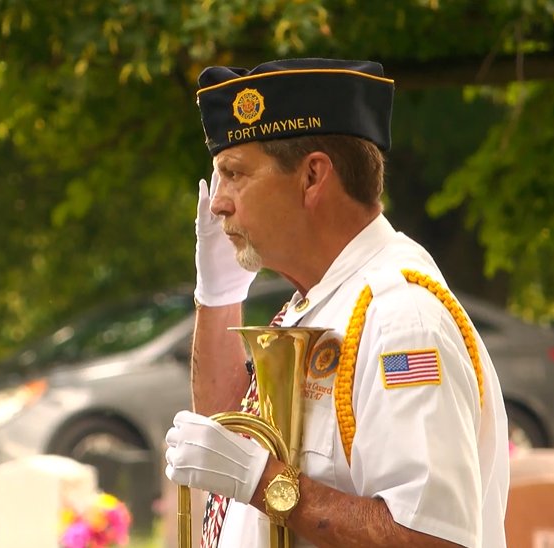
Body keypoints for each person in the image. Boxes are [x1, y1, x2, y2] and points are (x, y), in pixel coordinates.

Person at [164, 58, 510, 547]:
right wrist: (219, 294)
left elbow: (433, 537)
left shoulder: (400, 319)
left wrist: (266, 484)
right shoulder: (322, 301)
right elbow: (228, 438)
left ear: (312, 177)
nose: (218, 202)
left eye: (235, 174)